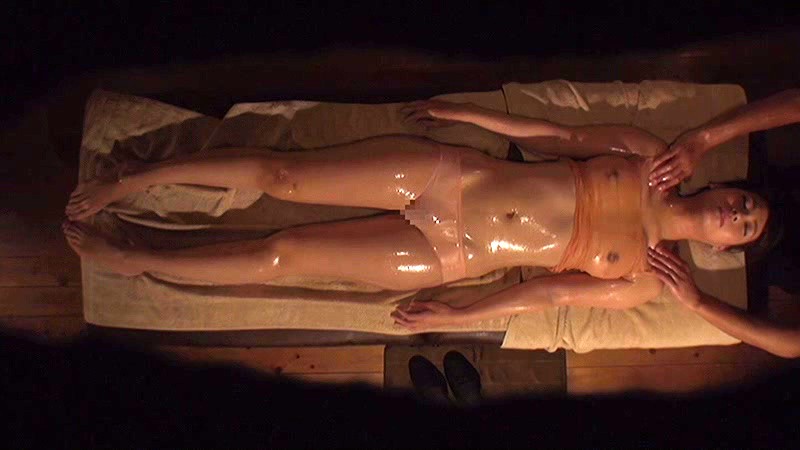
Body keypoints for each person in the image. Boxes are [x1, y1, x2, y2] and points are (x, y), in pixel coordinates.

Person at [62, 94, 774, 333]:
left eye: (746, 228)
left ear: (724, 250)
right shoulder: (649, 156)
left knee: (281, 253)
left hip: (452, 255)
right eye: (748, 203)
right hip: (456, 177)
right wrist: (466, 114)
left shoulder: (650, 281)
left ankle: (135, 259)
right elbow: (554, 136)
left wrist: (458, 316)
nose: (740, 214)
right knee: (285, 176)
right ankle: (135, 178)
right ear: (726, 186)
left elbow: (548, 295)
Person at [644, 89, 800, 358]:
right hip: (766, 192)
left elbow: (792, 345)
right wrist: (702, 140)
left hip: (763, 252)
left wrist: (699, 303)